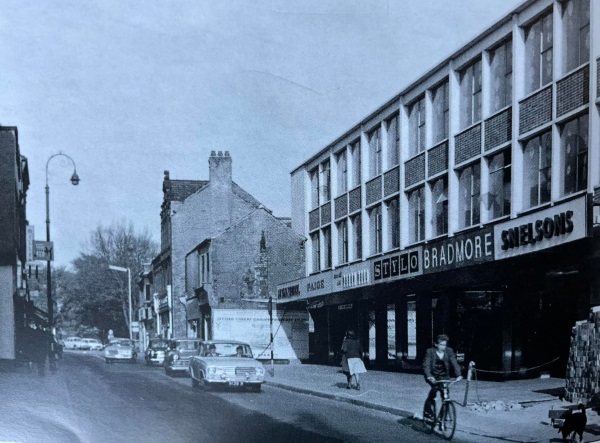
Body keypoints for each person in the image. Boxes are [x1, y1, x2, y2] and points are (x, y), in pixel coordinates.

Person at [423, 334, 462, 419]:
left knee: (446, 395)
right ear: (436, 344)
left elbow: (454, 363)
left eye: (445, 345)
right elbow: (426, 365)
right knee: (435, 388)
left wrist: (458, 375)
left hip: (444, 376)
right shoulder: (430, 352)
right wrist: (429, 376)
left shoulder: (449, 351)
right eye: (441, 345)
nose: (443, 347)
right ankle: (428, 410)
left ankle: (442, 418)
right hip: (433, 376)